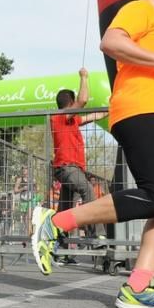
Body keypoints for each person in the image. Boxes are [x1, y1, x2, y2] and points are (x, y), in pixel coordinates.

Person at [31, 0, 154, 308]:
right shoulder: (140, 9)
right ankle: (56, 222)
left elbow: (142, 72)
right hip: (138, 112)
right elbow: (111, 42)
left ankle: (139, 286)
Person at [50, 68, 107, 264]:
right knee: (88, 191)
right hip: (67, 167)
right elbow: (83, 100)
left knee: (66, 209)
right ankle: (96, 235)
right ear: (70, 103)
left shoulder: (71, 121)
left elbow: (94, 116)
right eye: (75, 103)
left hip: (71, 169)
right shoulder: (60, 116)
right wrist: (84, 77)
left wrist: (111, 108)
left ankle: (60, 247)